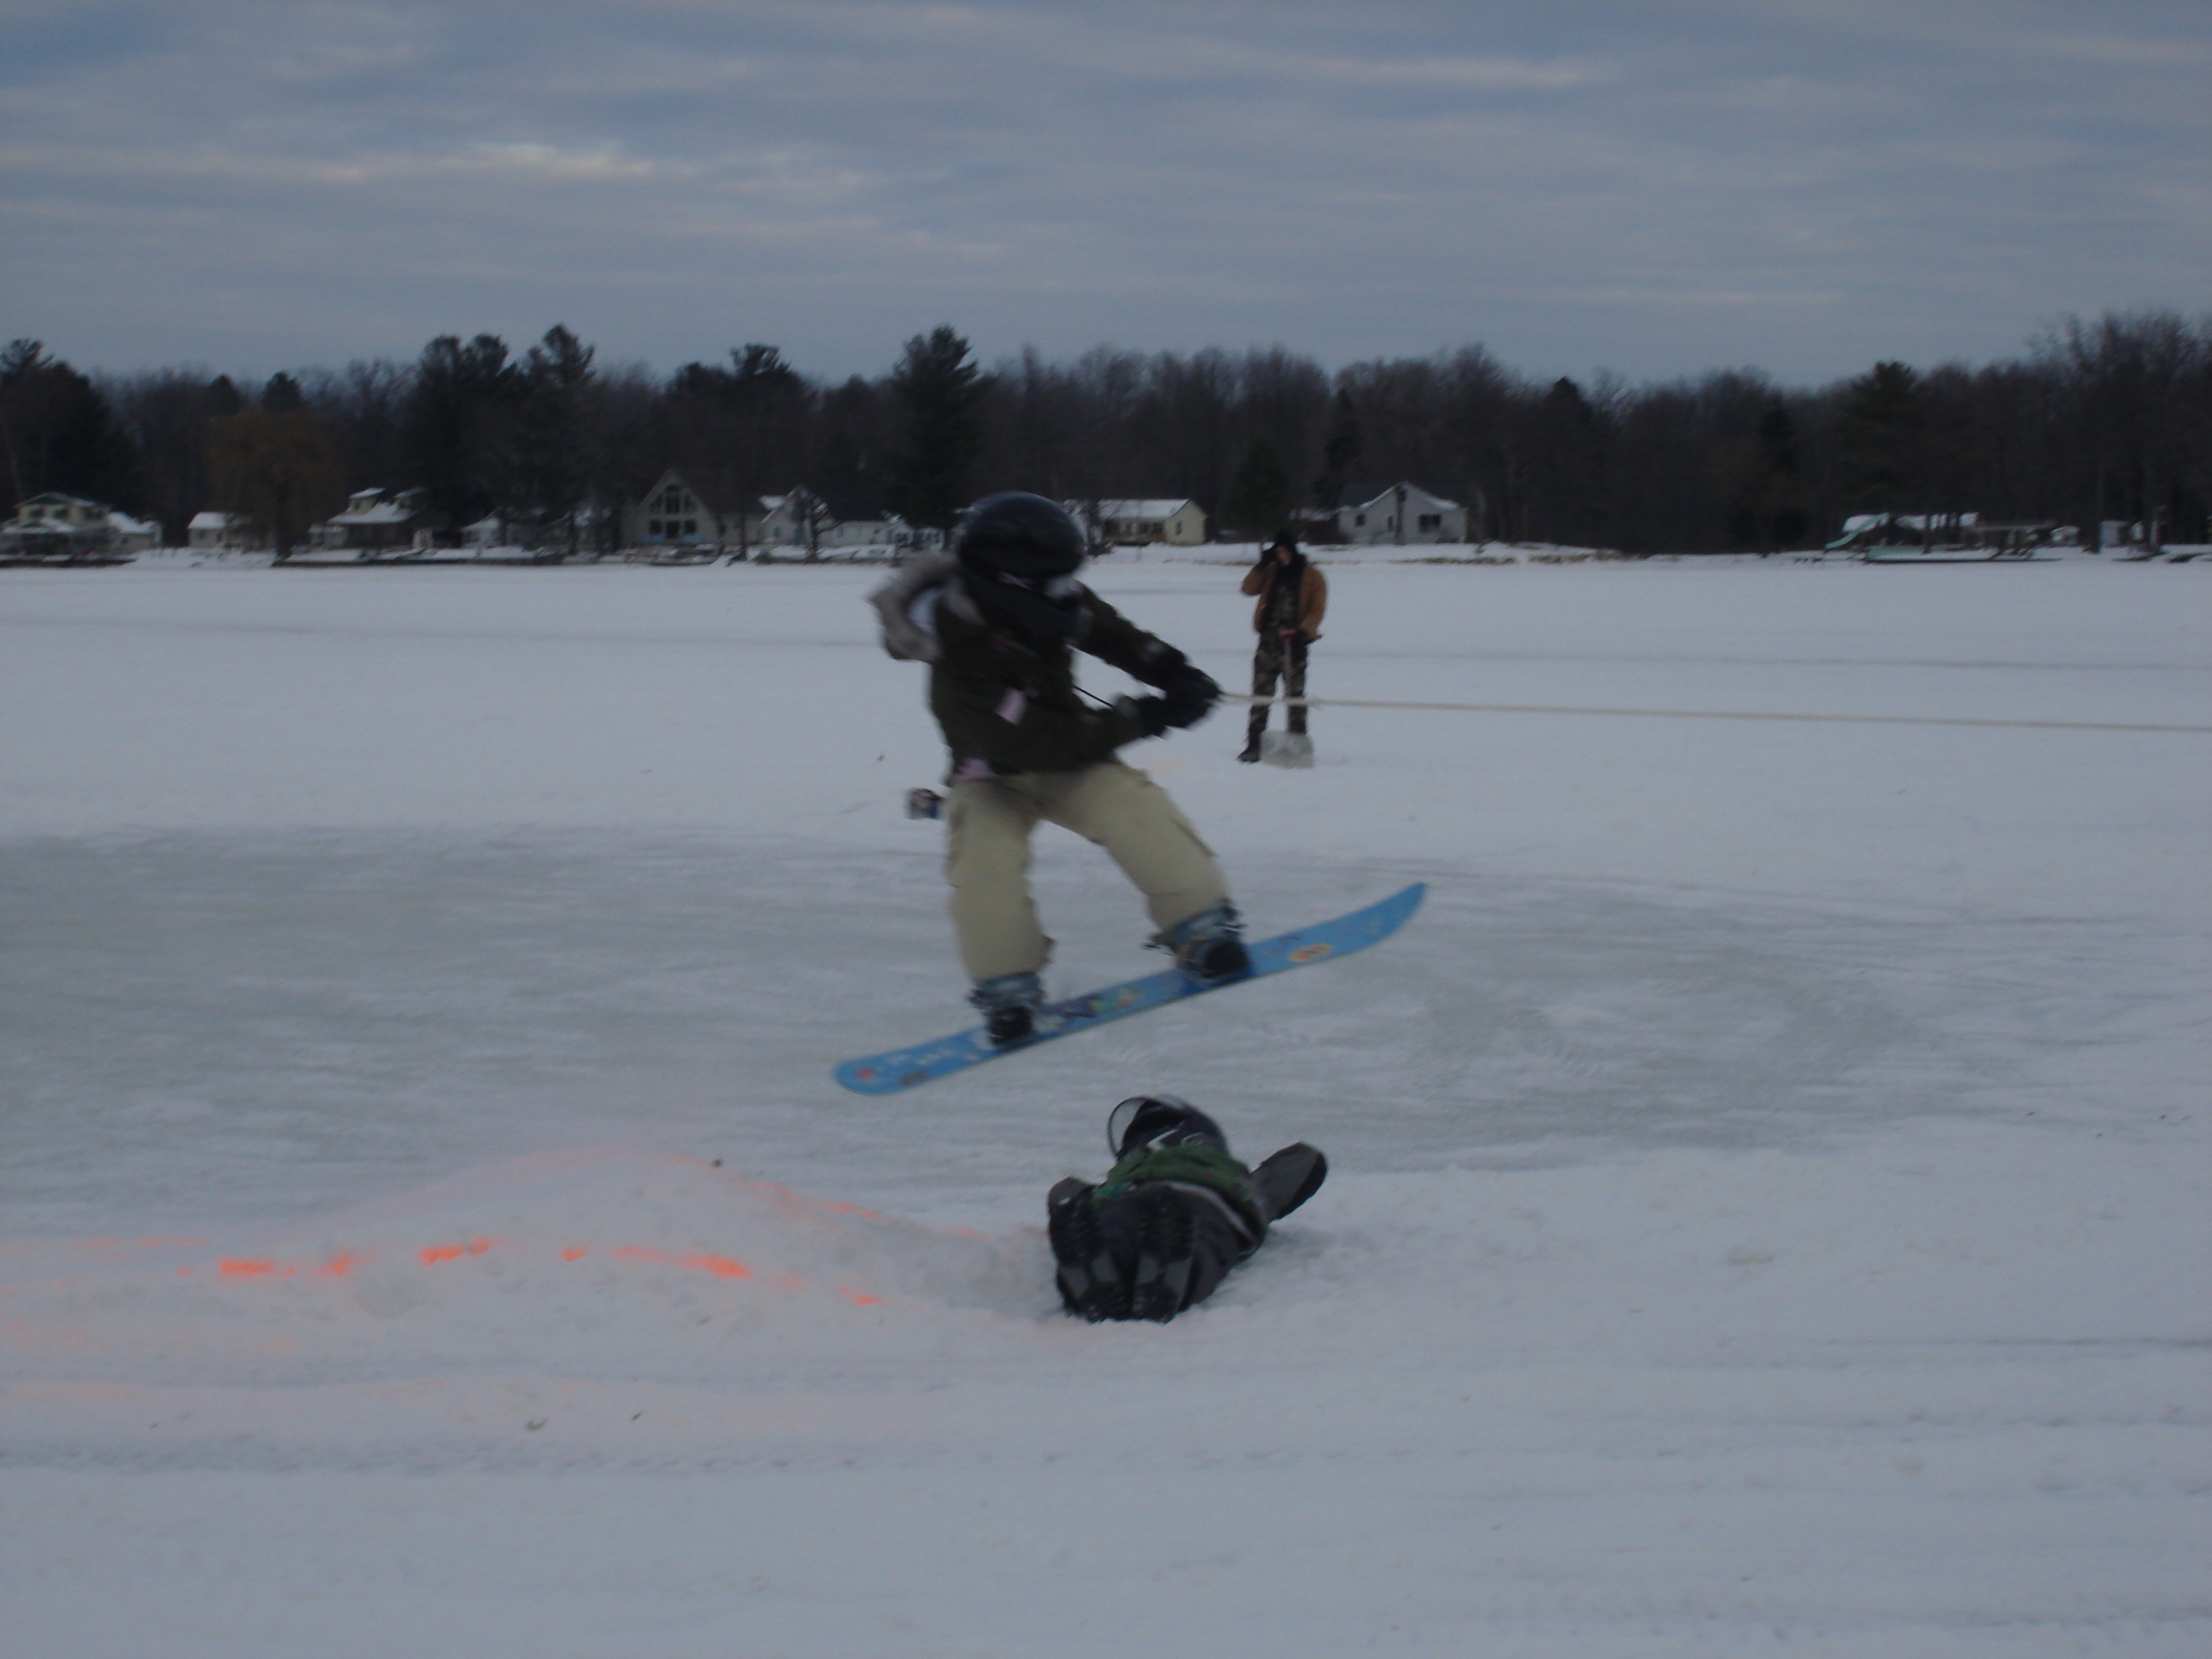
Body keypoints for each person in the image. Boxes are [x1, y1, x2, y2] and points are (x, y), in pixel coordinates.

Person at [870, 493, 1250, 1045]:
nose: (1067, 592)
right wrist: (1147, 716)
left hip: (1069, 758)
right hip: (992, 773)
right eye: (1056, 584)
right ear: (1007, 586)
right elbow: (1046, 742)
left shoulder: (1047, 597)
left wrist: (1168, 669)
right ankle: (1006, 987)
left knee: (1133, 807)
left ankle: (1200, 926)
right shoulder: (958, 673)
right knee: (984, 860)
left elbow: (1106, 629)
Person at [1047, 1095, 1328, 1322]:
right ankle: (1170, 1275)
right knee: (1206, 1247)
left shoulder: (1130, 1170)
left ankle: (1095, 1276)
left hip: (1129, 1196)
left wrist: (1074, 1209)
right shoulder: (1232, 1175)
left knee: (1113, 1231)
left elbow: (1065, 1195)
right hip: (1212, 1204)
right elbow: (1303, 1163)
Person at [1237, 532, 1328, 763]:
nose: (1283, 556)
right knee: (1261, 694)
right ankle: (1254, 744)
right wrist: (1262, 565)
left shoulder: (1313, 576)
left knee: (1294, 696)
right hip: (1268, 643)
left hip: (1295, 645)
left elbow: (1317, 609)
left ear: (1294, 551)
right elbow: (1247, 589)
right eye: (1278, 552)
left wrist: (1303, 632)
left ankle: (1297, 742)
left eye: (1286, 551)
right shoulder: (1270, 572)